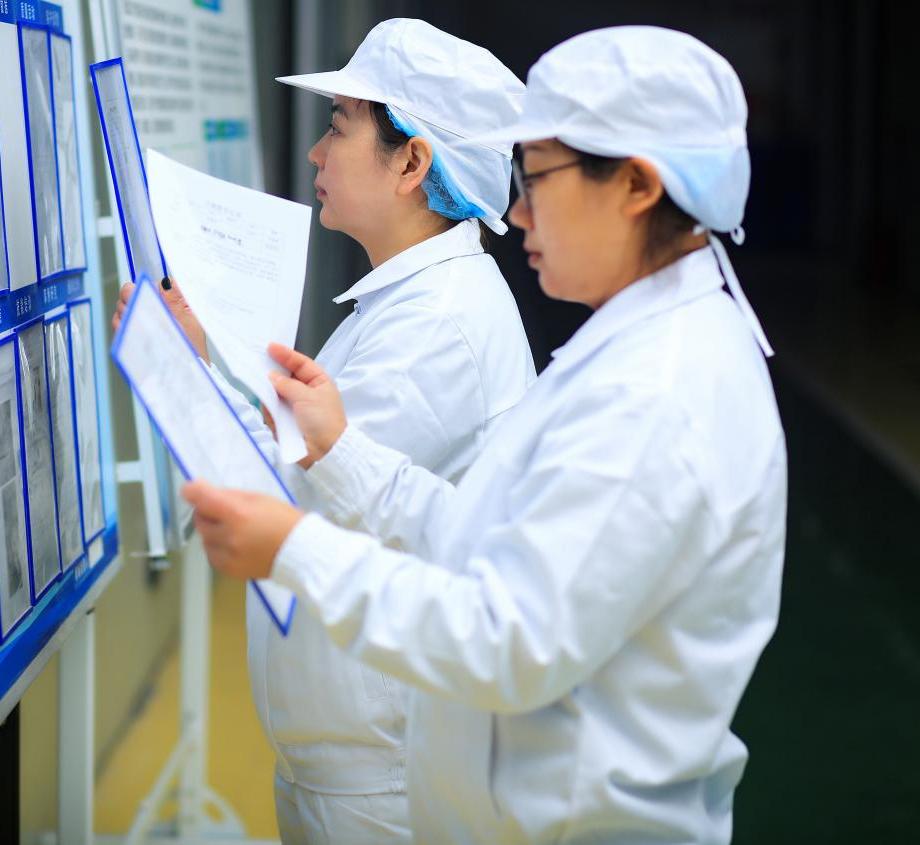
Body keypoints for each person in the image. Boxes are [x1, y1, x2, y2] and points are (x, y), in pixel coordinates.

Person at [181, 26, 787, 843]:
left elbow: (506, 639)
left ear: (636, 186)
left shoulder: (654, 392)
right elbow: (486, 534)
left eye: (537, 177)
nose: (515, 209)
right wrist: (342, 450)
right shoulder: (631, 348)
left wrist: (294, 548)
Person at [112, 19, 534, 843]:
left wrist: (181, 368)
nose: (315, 152)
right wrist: (201, 364)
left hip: (379, 777)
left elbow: (276, 501)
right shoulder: (409, 304)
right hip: (357, 758)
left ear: (411, 163)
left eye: (339, 126)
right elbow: (305, 462)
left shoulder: (436, 327)